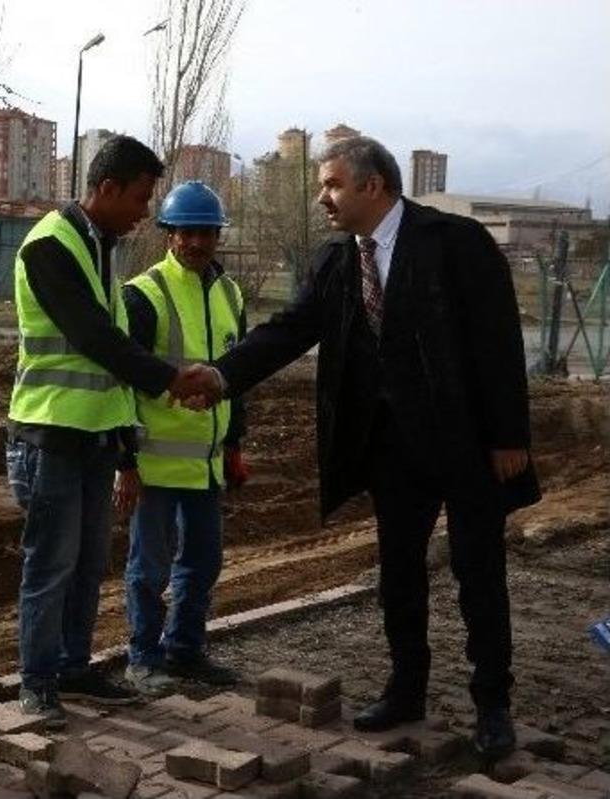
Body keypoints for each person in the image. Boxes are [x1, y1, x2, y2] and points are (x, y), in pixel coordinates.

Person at [205, 136, 539, 759]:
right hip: (392, 450)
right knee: (400, 575)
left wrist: (509, 436)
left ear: (372, 186)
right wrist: (223, 376)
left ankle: (492, 704)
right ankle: (405, 690)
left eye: (331, 184)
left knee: (479, 574)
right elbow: (288, 331)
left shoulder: (454, 244)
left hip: (466, 444)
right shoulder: (337, 260)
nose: (322, 197)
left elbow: (498, 341)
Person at [6, 135, 221, 729]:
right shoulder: (50, 246)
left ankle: (74, 667)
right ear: (105, 190)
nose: (144, 212)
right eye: (139, 198)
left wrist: (126, 446)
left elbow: (114, 360)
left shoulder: (101, 247)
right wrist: (172, 380)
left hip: (96, 436)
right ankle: (38, 680)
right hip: (51, 432)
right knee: (50, 565)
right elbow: (95, 339)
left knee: (85, 563)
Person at [116, 181, 249, 697]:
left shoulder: (230, 294)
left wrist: (234, 444)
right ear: (169, 234)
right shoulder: (143, 295)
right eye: (186, 231)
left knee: (203, 562)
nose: (196, 242)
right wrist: (125, 459)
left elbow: (237, 377)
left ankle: (185, 650)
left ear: (217, 236)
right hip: (154, 465)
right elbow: (121, 384)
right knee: (148, 568)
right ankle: (143, 657)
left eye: (206, 232)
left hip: (207, 465)